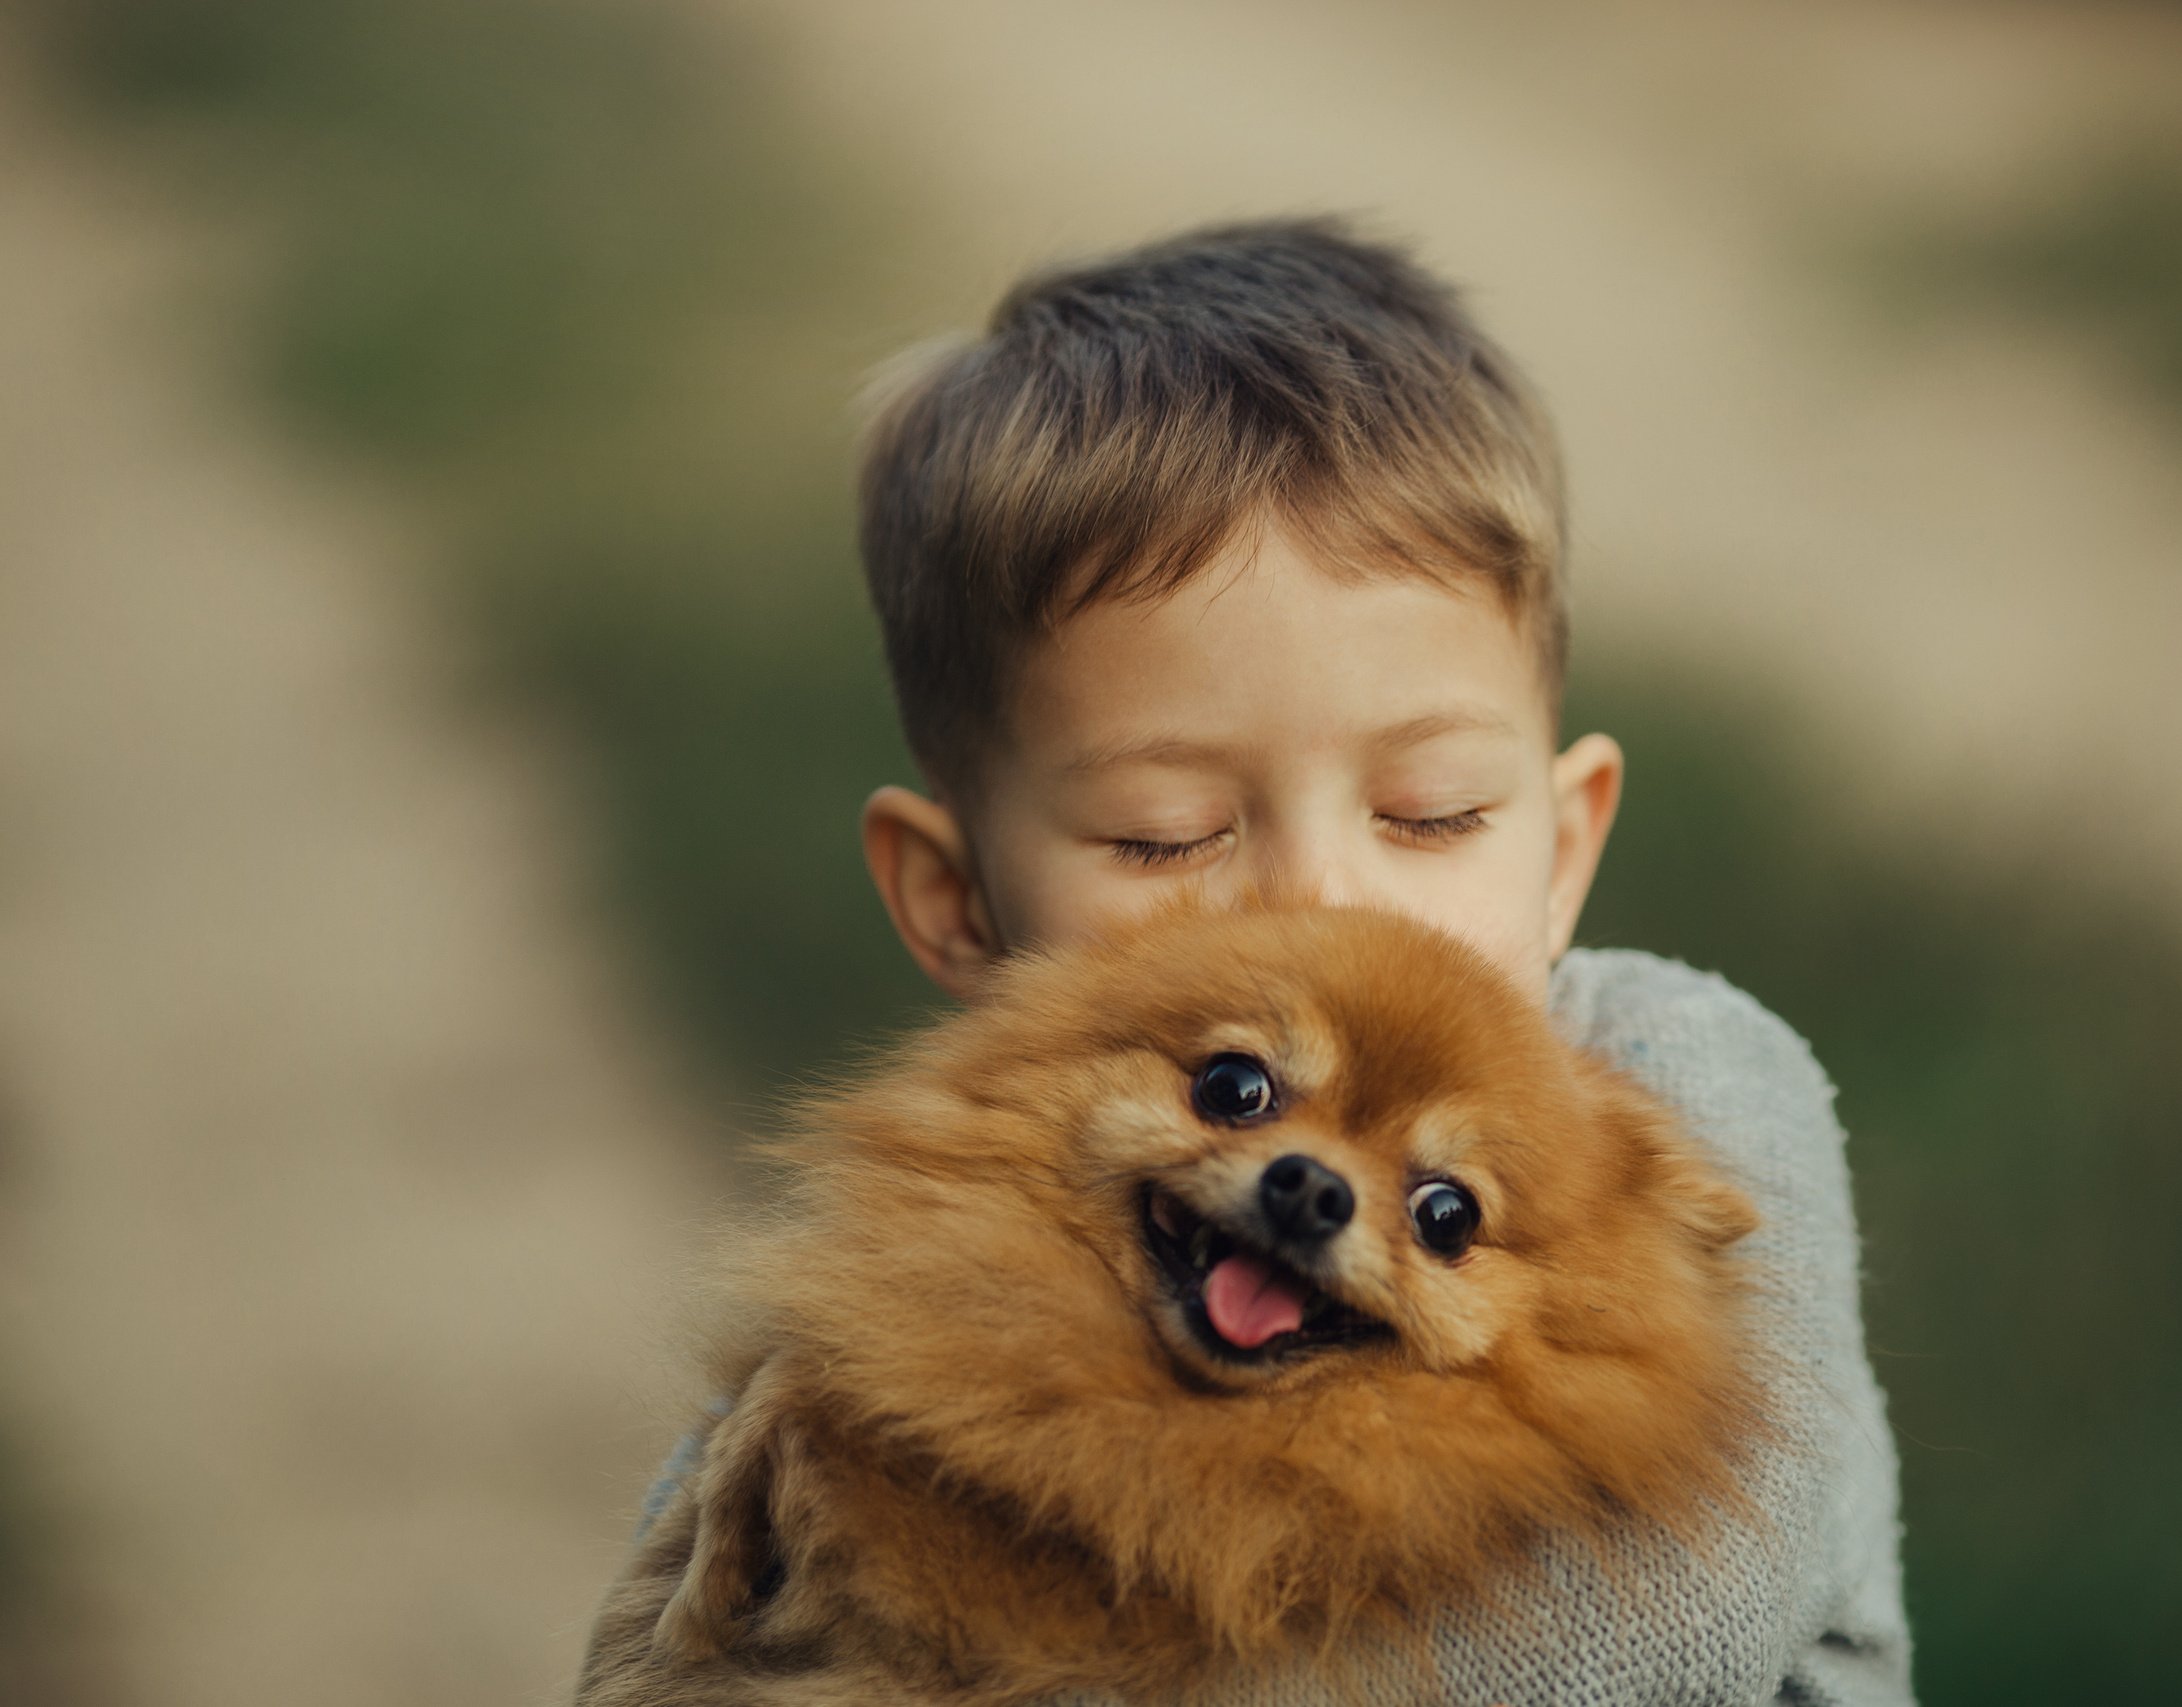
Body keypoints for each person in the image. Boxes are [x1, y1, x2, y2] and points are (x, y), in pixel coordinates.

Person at [647, 217, 1914, 1703]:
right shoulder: (1005, 1176)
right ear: (955, 900)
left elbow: (1676, 1619)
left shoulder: (1692, 1087)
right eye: (1166, 834)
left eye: (1428, 814)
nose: (1317, 894)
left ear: (1563, 849)